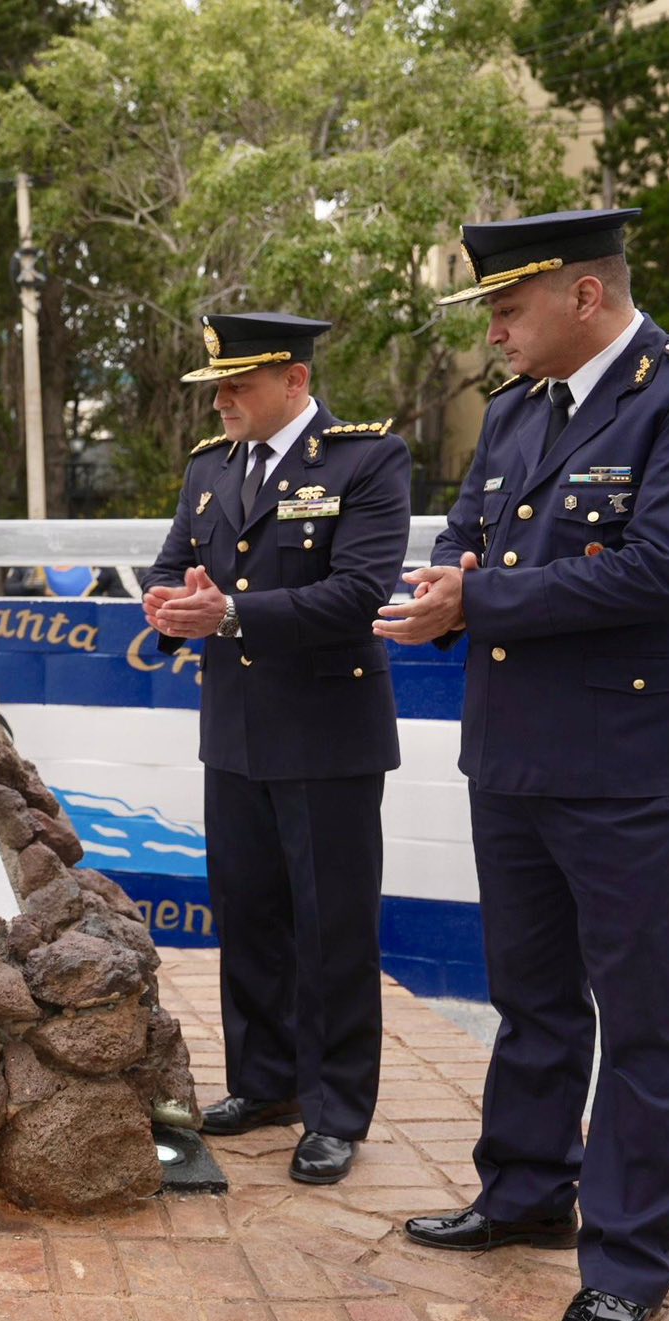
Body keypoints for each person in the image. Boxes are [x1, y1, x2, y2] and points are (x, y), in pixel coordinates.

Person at [377, 208, 669, 1321]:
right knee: (531, 999)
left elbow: (663, 570)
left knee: (643, 1020)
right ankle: (523, 1192)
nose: (493, 332)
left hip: (628, 766)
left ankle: (629, 1261)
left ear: (583, 296)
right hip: (511, 754)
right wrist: (436, 592)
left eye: (506, 308)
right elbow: (464, 539)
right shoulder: (515, 411)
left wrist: (479, 598)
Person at [139, 312, 410, 1187]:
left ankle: (335, 1110)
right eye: (216, 387)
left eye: (239, 386)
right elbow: (172, 563)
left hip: (327, 733)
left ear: (295, 380)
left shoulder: (365, 460)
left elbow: (359, 592)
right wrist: (169, 605)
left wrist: (229, 613)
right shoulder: (211, 468)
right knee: (249, 915)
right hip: (236, 731)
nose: (222, 401)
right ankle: (265, 1083)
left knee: (331, 929)